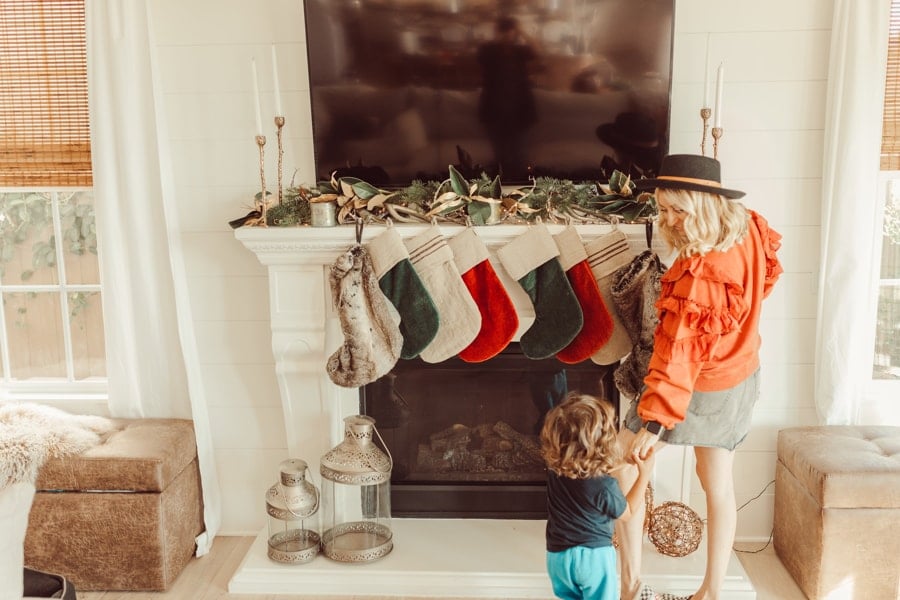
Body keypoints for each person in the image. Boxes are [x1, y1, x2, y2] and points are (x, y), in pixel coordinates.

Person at [613, 154, 784, 600]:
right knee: (718, 484)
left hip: (698, 387)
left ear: (706, 204)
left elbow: (678, 355)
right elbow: (762, 284)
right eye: (663, 208)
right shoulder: (747, 225)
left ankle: (629, 587)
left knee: (622, 468)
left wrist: (653, 421)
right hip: (741, 373)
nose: (669, 220)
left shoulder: (702, 273)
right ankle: (711, 591)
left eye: (679, 210)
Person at [540, 392, 655, 600]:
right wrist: (643, 475)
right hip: (593, 558)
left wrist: (624, 462)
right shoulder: (605, 486)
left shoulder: (555, 471)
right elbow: (627, 512)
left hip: (557, 557)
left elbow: (585, 469)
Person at [477, 16, 539, 181]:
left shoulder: (520, 51)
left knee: (519, 155)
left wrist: (522, 32)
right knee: (500, 155)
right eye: (503, 31)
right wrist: (499, 38)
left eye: (510, 31)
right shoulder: (488, 50)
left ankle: (519, 188)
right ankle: (501, 189)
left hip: (521, 111)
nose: (507, 35)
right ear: (497, 32)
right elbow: (481, 57)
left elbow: (537, 51)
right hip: (493, 110)